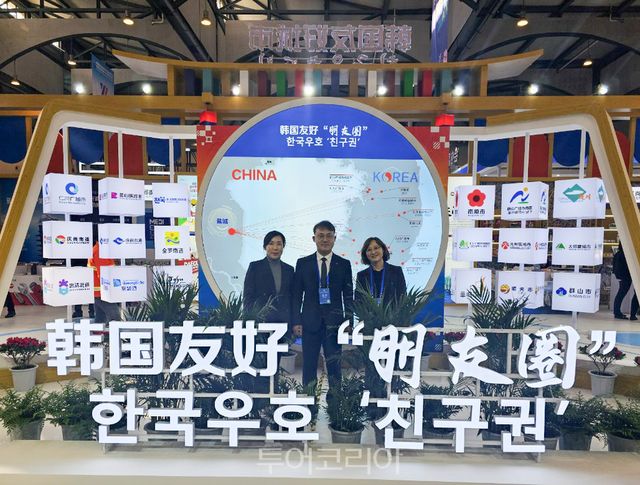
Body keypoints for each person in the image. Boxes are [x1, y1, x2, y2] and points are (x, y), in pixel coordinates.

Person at [292, 220, 353, 389]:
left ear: (334, 239)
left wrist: (348, 322)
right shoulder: (303, 263)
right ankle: (309, 400)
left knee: (334, 366)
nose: (325, 239)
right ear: (314, 238)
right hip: (309, 322)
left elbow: (348, 296)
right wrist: (296, 321)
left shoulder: (344, 264)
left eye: (329, 236)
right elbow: (297, 296)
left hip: (335, 324)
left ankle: (336, 402)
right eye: (321, 236)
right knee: (309, 365)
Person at [243, 230, 294, 324]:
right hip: (261, 321)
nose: (275, 248)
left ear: (283, 246)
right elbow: (248, 297)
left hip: (285, 321)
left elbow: (292, 298)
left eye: (279, 244)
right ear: (265, 246)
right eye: (271, 243)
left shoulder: (289, 270)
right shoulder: (255, 267)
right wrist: (250, 320)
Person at [355, 237, 407, 307]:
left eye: (376, 248)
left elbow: (403, 297)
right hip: (369, 314)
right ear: (365, 254)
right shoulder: (361, 275)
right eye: (369, 250)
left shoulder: (396, 271)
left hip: (393, 313)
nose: (373, 252)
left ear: (383, 249)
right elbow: (358, 301)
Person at [87, 241, 120, 323]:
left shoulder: (99, 250)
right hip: (103, 292)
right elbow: (103, 274)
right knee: (115, 319)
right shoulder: (100, 251)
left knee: (101, 319)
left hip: (100, 292)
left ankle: (98, 331)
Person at [613, 242, 638, 320]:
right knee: (624, 294)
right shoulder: (626, 254)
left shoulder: (618, 254)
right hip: (627, 276)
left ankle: (617, 312)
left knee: (621, 294)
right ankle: (631, 314)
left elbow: (615, 267)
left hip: (623, 277)